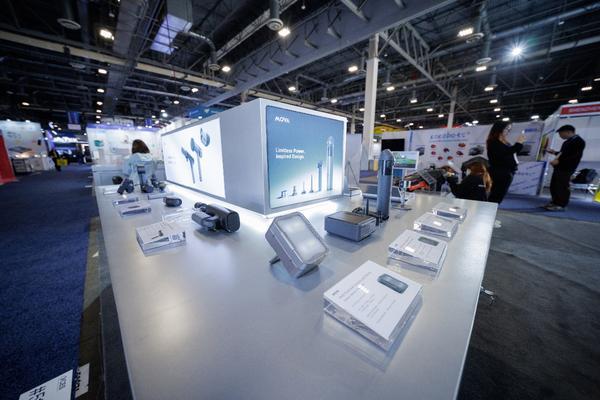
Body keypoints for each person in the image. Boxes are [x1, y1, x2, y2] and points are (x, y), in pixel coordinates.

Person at [543, 125, 586, 211]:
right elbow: (563, 154)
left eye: (561, 133)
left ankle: (561, 204)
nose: (560, 136)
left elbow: (573, 156)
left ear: (568, 132)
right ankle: (554, 202)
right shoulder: (567, 142)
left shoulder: (579, 141)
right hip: (560, 167)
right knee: (554, 185)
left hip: (567, 167)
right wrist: (554, 152)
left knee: (562, 186)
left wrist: (559, 161)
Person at [486, 121, 526, 203]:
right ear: (499, 129)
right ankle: (490, 209)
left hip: (507, 171)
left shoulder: (503, 141)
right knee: (497, 194)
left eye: (509, 129)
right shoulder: (494, 142)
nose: (508, 131)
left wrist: (519, 147)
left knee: (499, 194)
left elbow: (510, 153)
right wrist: (519, 144)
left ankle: (492, 208)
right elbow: (505, 153)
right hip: (501, 172)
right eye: (506, 129)